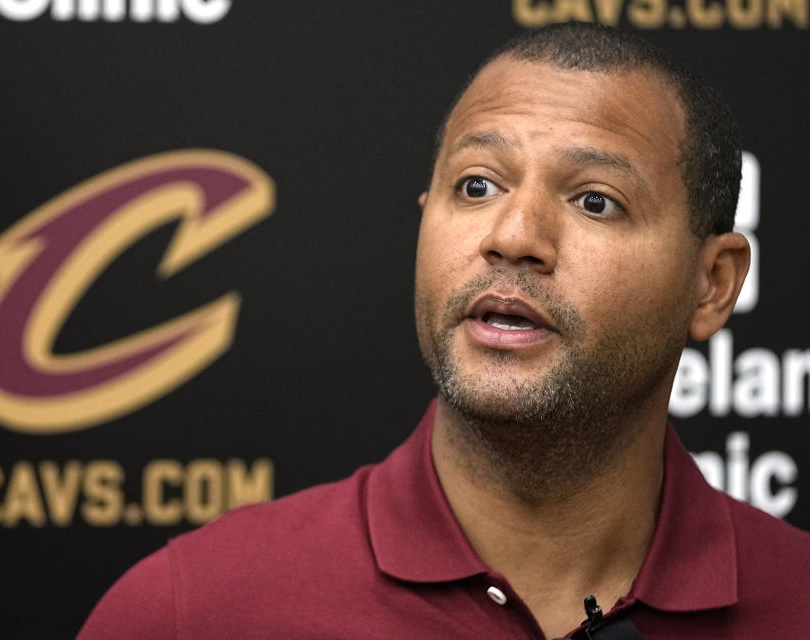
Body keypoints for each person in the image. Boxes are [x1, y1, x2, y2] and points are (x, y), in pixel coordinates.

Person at [78, 22, 809, 639]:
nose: (514, 235)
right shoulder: (188, 613)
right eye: (477, 186)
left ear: (712, 286)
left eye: (595, 200)